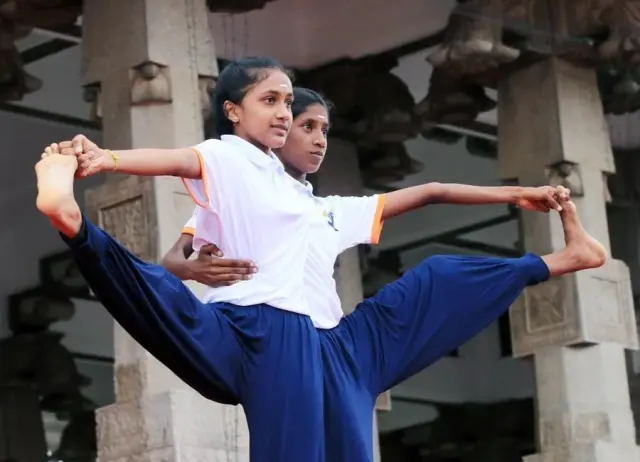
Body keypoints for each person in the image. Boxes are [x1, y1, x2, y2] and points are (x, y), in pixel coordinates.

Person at [35, 58, 605, 462]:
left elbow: (429, 191)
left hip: (338, 346)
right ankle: (74, 223)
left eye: (315, 124)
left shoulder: (322, 209)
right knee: (156, 292)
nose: (309, 133)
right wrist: (107, 160)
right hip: (260, 331)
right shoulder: (233, 164)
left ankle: (561, 259)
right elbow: (175, 220)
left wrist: (517, 195)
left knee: (437, 278)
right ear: (242, 116)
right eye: (291, 116)